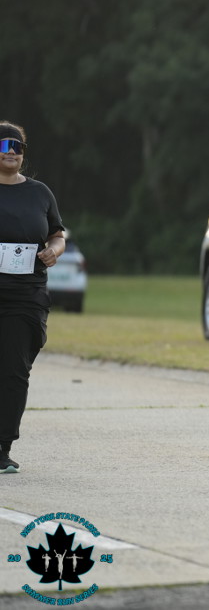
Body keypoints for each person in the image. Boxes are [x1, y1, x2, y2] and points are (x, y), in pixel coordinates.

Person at [0, 121, 65, 473]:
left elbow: (57, 233)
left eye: (17, 146)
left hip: (26, 295)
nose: (10, 151)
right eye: (3, 145)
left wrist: (54, 250)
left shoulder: (40, 193)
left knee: (14, 372)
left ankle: (2, 448)